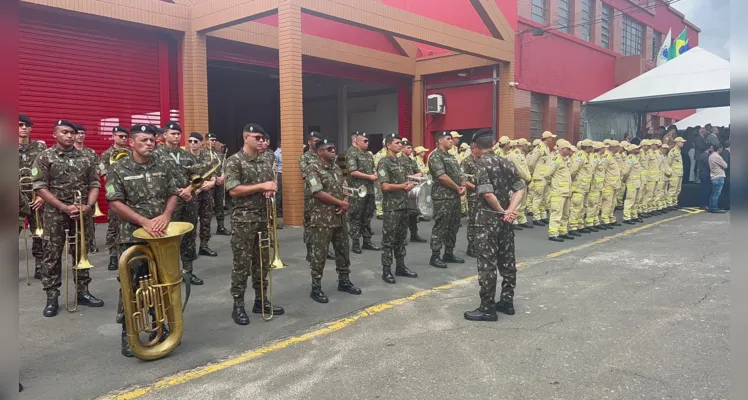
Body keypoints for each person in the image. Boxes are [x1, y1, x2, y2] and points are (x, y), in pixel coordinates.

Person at [105, 123, 179, 357]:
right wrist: (144, 222)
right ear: (131, 143)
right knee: (132, 285)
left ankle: (160, 325)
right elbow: (115, 203)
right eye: (144, 140)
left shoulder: (164, 164)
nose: (150, 143)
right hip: (132, 236)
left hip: (162, 234)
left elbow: (173, 193)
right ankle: (129, 334)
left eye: (152, 140)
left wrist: (166, 215)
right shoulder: (118, 168)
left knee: (160, 281)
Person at [32, 120, 104, 317]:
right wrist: (63, 207)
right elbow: (40, 187)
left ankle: (82, 292)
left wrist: (89, 206)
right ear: (54, 134)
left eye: (72, 132)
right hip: (55, 214)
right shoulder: (45, 156)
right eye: (65, 132)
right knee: (52, 255)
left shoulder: (87, 156)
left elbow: (94, 183)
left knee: (81, 253)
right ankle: (52, 297)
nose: (70, 136)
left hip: (82, 213)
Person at [223, 123, 285, 325]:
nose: (261, 141)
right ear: (246, 138)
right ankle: (238, 305)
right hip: (244, 220)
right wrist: (261, 186)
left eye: (262, 138)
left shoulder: (266, 158)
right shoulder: (235, 161)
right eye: (257, 137)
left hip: (264, 217)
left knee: (262, 263)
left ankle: (261, 300)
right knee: (242, 265)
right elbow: (232, 190)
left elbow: (271, 180)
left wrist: (271, 188)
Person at [464, 128, 524, 322]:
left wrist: (502, 211)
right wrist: (510, 210)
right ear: (493, 144)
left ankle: (487, 308)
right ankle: (507, 301)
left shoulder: (481, 164)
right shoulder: (506, 162)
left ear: (475, 146)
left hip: (488, 220)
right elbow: (520, 187)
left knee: (487, 264)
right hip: (505, 221)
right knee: (507, 261)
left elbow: (488, 194)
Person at [305, 138, 362, 303]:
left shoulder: (336, 168)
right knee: (319, 254)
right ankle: (316, 287)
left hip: (339, 217)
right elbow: (317, 192)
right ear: (320, 152)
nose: (333, 151)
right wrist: (340, 203)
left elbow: (345, 187)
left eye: (334, 148)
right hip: (322, 219)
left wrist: (345, 202)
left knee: (343, 250)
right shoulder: (312, 169)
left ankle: (344, 281)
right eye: (329, 149)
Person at [153, 121, 204, 285]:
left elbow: (196, 175)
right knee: (169, 236)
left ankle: (188, 271)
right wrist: (177, 192)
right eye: (172, 133)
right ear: (164, 135)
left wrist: (189, 189)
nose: (176, 136)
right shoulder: (156, 154)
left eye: (178, 134)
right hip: (168, 202)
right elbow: (156, 179)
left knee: (189, 235)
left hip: (188, 200)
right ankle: (170, 271)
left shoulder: (187, 155)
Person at [377, 135, 418, 283]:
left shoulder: (402, 161)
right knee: (389, 240)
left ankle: (400, 266)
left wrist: (411, 183)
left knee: (401, 239)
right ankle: (386, 270)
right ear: (388, 145)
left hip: (404, 205)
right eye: (397, 143)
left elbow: (410, 177)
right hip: (392, 207)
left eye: (401, 143)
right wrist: (402, 186)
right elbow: (385, 186)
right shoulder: (383, 163)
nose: (400, 145)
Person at [428, 131, 465, 268]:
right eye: (448, 139)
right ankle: (435, 255)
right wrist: (457, 187)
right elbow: (441, 176)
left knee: (453, 226)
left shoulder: (452, 157)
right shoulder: (435, 156)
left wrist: (462, 186)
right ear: (440, 141)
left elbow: (459, 174)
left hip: (454, 197)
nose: (451, 141)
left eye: (451, 139)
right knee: (441, 226)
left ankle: (448, 253)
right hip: (442, 197)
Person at [18, 114, 47, 279]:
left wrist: (42, 196)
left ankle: (40, 267)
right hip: (13, 200)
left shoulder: (40, 147)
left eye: (27, 125)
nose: (23, 128)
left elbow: (46, 172)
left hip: (37, 198)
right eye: (20, 125)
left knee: (40, 233)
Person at [99, 126, 132, 270]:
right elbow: (105, 176)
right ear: (113, 136)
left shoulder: (132, 152)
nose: (123, 139)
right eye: (120, 136)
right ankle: (113, 256)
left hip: (131, 193)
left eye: (125, 136)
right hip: (116, 192)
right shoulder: (106, 155)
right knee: (113, 226)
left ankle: (129, 254)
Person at [344, 132, 380, 254]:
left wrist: (374, 174)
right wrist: (369, 177)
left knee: (367, 215)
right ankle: (355, 243)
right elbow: (353, 171)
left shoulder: (369, 155)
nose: (367, 143)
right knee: (356, 216)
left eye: (367, 141)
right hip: (358, 190)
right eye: (364, 141)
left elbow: (373, 168)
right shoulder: (351, 152)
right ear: (357, 141)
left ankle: (367, 241)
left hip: (369, 190)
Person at [187, 132, 219, 257]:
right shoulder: (185, 156)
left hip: (206, 193)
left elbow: (215, 171)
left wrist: (212, 182)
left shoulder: (208, 156)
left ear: (201, 143)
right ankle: (190, 248)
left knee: (206, 220)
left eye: (195, 141)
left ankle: (204, 246)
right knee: (192, 222)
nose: (192, 144)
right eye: (190, 141)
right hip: (193, 193)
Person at [73, 124, 100, 253]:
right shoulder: (69, 151)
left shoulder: (91, 152)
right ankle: (74, 245)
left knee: (89, 219)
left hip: (88, 189)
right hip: (72, 191)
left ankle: (90, 243)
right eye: (78, 133)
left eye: (83, 133)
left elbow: (98, 168)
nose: (80, 135)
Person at [544, 139, 574, 242]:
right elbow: (547, 174)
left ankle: (562, 231)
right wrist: (552, 184)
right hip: (558, 191)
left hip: (566, 191)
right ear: (562, 149)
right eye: (567, 149)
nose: (569, 151)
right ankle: (553, 233)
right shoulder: (556, 159)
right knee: (556, 213)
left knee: (565, 213)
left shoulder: (564, 160)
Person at [400, 139, 427, 243]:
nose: (410, 150)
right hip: (403, 189)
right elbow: (402, 177)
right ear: (402, 149)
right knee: (403, 216)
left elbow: (420, 173)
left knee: (413, 214)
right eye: (408, 148)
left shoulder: (412, 161)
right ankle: (401, 238)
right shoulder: (399, 161)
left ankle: (414, 235)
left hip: (414, 189)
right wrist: (413, 176)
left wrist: (413, 176)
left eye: (411, 148)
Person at [528, 132, 555, 225]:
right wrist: (534, 172)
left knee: (544, 198)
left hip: (545, 177)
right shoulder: (539, 148)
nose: (552, 140)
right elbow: (532, 163)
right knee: (537, 198)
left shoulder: (546, 148)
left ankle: (543, 216)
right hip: (539, 177)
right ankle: (536, 217)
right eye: (551, 138)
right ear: (547, 138)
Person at [460, 141, 481, 258]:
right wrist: (475, 188)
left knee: (481, 221)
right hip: (473, 196)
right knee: (473, 221)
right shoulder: (466, 161)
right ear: (474, 149)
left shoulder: (482, 160)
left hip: (483, 195)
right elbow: (463, 179)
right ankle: (471, 246)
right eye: (479, 149)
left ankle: (479, 244)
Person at [567, 139, 593, 235]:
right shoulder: (580, 156)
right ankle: (573, 227)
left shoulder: (587, 156)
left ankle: (580, 224)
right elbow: (573, 171)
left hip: (585, 187)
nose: (592, 149)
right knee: (576, 207)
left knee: (583, 207)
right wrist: (573, 182)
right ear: (587, 147)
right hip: (578, 186)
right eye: (591, 147)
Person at [508, 138, 532, 229]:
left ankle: (521, 219)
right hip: (519, 180)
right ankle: (514, 220)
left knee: (523, 201)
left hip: (523, 180)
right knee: (517, 201)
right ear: (522, 145)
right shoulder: (516, 155)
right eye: (527, 145)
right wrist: (528, 178)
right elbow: (520, 169)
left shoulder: (521, 154)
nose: (528, 147)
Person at [209, 137, 230, 235]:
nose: (213, 142)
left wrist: (222, 177)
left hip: (220, 182)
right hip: (208, 183)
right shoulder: (203, 154)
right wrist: (213, 179)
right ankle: (205, 228)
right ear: (205, 141)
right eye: (210, 140)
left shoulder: (220, 155)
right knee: (206, 207)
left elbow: (225, 168)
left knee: (219, 205)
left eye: (214, 140)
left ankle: (220, 226)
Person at [600, 140, 622, 227]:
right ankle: (605, 219)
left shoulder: (612, 156)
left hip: (615, 184)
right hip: (608, 184)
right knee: (607, 202)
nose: (619, 148)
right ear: (613, 147)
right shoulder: (607, 156)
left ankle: (610, 217)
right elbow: (603, 170)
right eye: (617, 146)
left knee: (613, 202)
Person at [585, 141, 605, 231]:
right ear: (601, 148)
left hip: (599, 185)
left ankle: (595, 221)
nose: (605, 149)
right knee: (592, 204)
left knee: (597, 204)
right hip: (594, 185)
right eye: (604, 147)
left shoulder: (599, 157)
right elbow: (592, 170)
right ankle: (589, 222)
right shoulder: (595, 157)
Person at [621, 143, 643, 224]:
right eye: (637, 148)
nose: (639, 149)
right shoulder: (630, 158)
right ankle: (626, 217)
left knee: (636, 200)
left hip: (637, 182)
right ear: (632, 150)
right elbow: (626, 171)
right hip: (631, 182)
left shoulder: (636, 158)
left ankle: (634, 215)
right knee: (630, 199)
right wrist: (624, 180)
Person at [708, 143, 728, 213]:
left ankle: (711, 207)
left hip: (713, 176)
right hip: (719, 176)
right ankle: (714, 207)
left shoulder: (711, 156)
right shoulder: (717, 157)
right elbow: (725, 165)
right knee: (717, 194)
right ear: (719, 148)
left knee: (713, 193)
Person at [274, 143, 283, 222]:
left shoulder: (285, 152)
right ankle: (278, 211)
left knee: (283, 193)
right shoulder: (277, 154)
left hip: (285, 174)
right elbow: (275, 165)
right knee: (279, 193)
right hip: (279, 174)